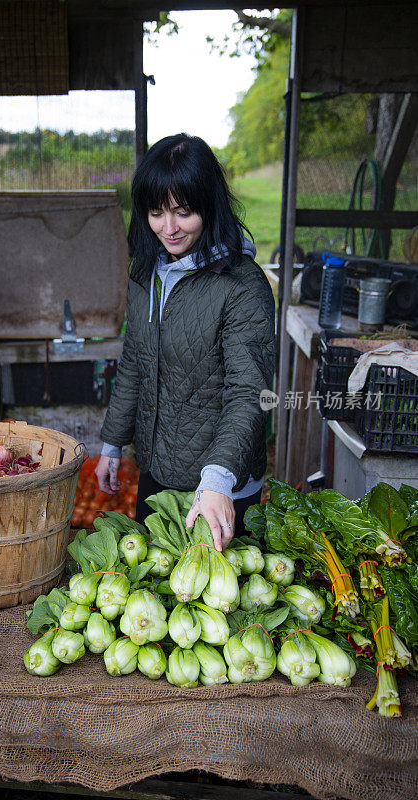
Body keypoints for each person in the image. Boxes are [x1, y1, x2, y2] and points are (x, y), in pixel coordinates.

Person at [95, 133, 275, 551]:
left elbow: (249, 392)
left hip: (219, 480)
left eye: (184, 213)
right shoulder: (146, 272)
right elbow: (136, 361)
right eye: (156, 213)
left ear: (208, 207)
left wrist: (217, 479)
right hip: (157, 469)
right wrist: (112, 442)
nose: (169, 229)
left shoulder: (242, 286)